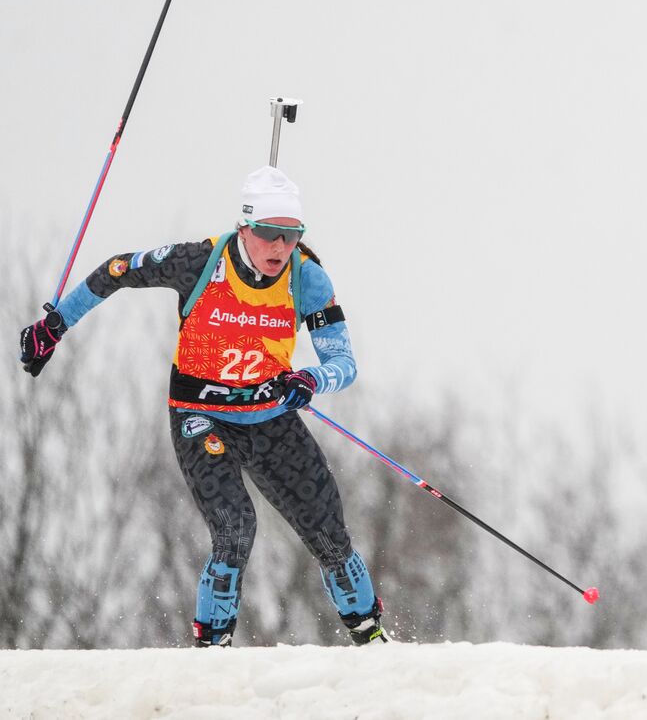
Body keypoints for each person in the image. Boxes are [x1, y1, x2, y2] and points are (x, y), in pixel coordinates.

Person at [19, 166, 388, 648]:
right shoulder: (199, 262)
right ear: (245, 228)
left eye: (291, 235)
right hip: (201, 415)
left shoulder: (307, 278)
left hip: (271, 417)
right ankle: (212, 651)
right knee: (236, 528)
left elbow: (343, 360)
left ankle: (373, 640)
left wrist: (310, 378)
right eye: (270, 234)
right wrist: (55, 326)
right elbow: (116, 270)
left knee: (330, 533)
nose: (280, 247)